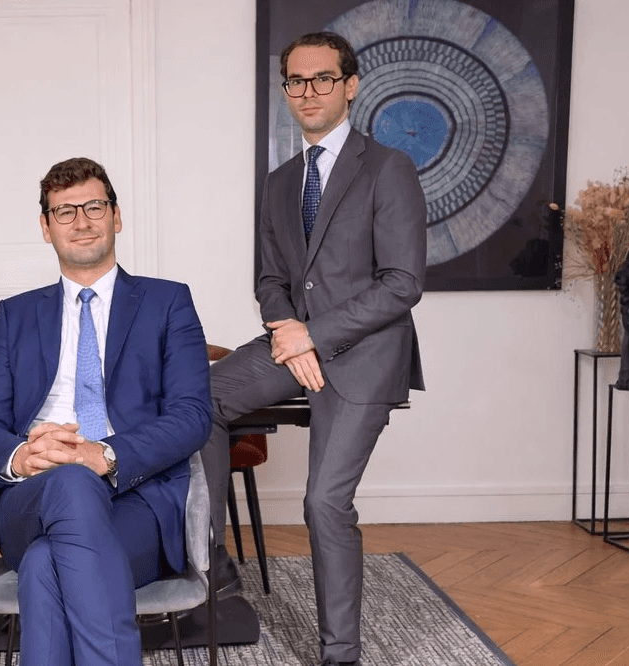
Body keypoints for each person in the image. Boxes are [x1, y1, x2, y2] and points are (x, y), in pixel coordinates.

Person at [201, 32, 427, 666]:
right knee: (200, 396)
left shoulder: (388, 168)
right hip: (292, 344)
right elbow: (271, 280)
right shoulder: (279, 182)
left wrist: (312, 335)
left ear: (350, 86)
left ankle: (340, 653)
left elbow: (403, 284)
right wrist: (285, 328)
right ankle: (213, 564)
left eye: (323, 79)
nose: (308, 92)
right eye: (296, 81)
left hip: (364, 354)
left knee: (323, 500)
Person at [0, 157, 212, 666]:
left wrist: (106, 455)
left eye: (94, 206)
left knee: (44, 565)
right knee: (69, 485)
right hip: (32, 496)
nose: (81, 221)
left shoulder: (168, 303)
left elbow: (192, 415)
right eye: (64, 211)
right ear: (46, 227)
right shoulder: (17, 314)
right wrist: (24, 457)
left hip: (137, 498)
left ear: (116, 216)